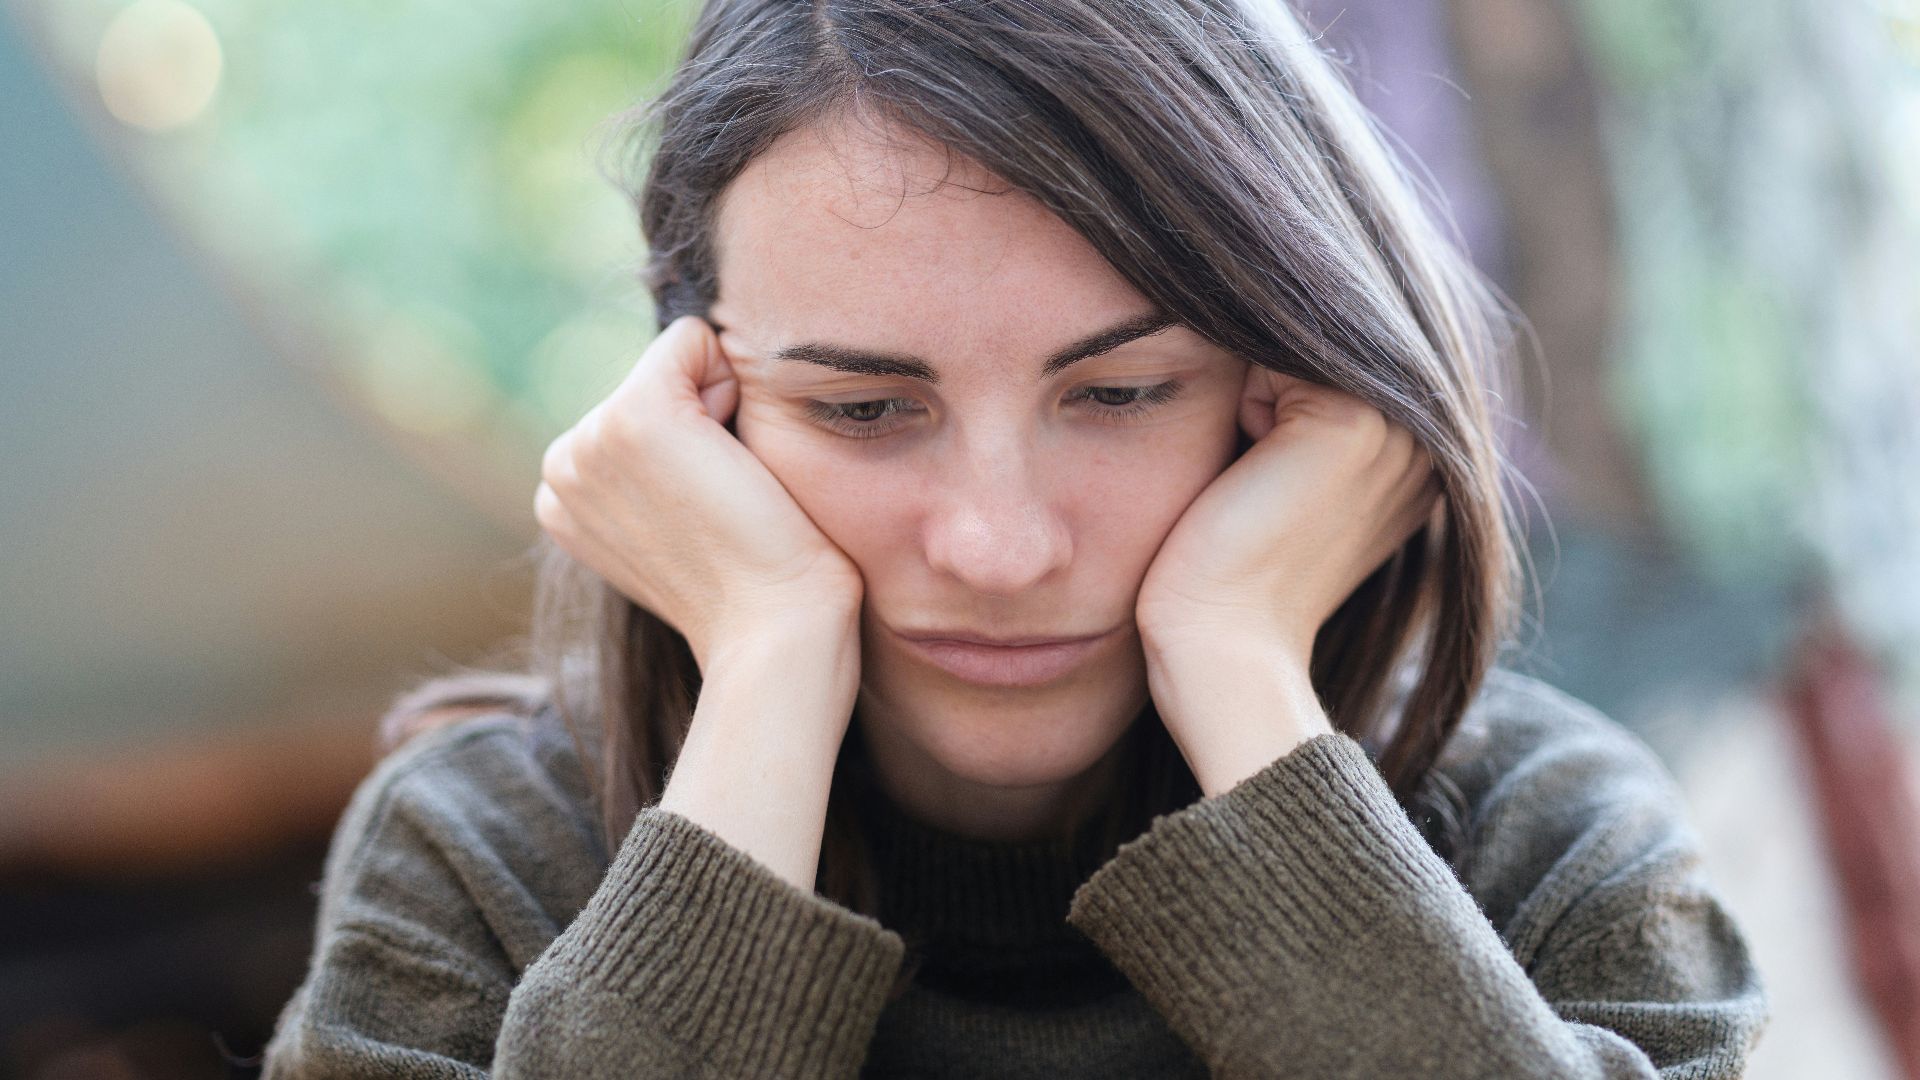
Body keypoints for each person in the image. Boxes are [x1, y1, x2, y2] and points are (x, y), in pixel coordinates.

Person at [258, 0, 1770, 1076]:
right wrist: (772, 668)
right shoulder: (481, 860)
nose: (997, 544)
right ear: (695, 404)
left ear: (1298, 393)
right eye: (859, 407)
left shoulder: (1547, 848)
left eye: (1117, 392)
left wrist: (1235, 663)